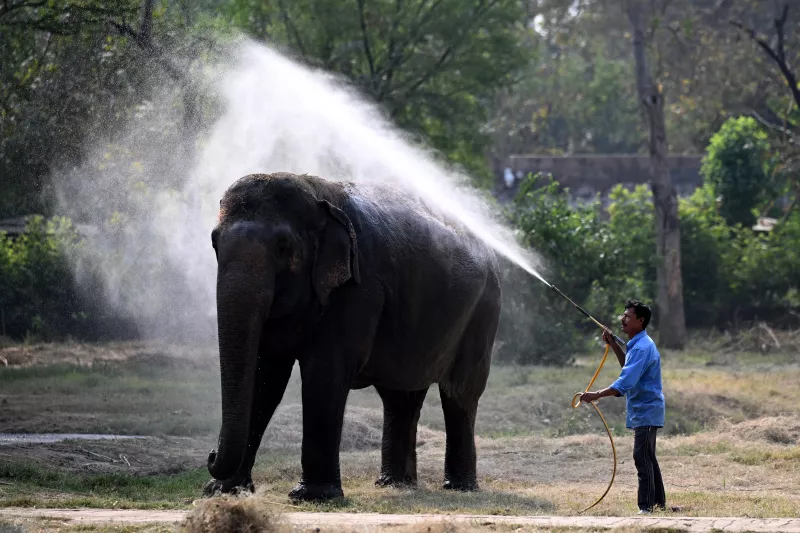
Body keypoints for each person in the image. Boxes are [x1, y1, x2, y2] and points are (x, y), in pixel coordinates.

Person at [579, 300, 666, 514]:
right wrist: (615, 345)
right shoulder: (637, 346)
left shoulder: (642, 347)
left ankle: (646, 508)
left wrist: (595, 395)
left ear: (640, 320)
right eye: (623, 315)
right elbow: (628, 367)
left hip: (646, 409)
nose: (622, 319)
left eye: (628, 316)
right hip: (645, 409)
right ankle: (658, 504)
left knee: (641, 457)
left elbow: (624, 384)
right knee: (648, 457)